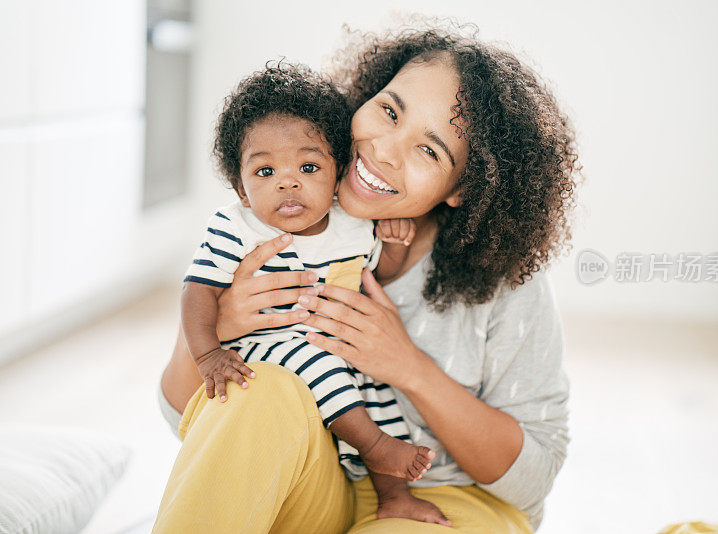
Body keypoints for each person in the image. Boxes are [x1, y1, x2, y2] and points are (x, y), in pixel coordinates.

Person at [156, 20, 580, 533]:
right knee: (257, 389)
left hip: (449, 502)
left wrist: (408, 366)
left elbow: (532, 478)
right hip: (321, 482)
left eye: (429, 150)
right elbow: (185, 415)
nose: (383, 149)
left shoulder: (506, 283)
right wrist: (218, 327)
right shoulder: (288, 213)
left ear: (463, 188)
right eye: (389, 111)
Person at [180, 62, 451, 524]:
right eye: (264, 171)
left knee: (376, 386)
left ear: (337, 172)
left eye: (308, 167)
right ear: (240, 190)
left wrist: (392, 241)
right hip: (267, 347)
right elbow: (198, 290)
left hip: (332, 344)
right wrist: (207, 354)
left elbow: (376, 276)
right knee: (320, 364)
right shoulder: (236, 226)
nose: (287, 182)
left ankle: (393, 494)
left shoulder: (352, 225)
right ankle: (373, 445)